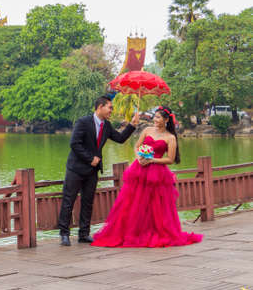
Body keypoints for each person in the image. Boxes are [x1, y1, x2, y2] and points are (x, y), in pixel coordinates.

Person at [91, 106, 203, 248]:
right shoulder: (147, 130)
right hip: (139, 170)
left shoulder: (170, 137)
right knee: (135, 203)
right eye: (154, 117)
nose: (155, 120)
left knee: (156, 205)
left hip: (157, 174)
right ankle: (133, 232)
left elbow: (170, 159)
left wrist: (152, 160)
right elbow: (137, 147)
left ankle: (155, 231)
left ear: (166, 120)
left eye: (158, 117)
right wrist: (139, 158)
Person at [58, 95, 139, 246]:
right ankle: (64, 234)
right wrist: (90, 158)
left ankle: (84, 234)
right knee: (68, 200)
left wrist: (132, 125)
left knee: (88, 202)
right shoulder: (83, 122)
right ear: (100, 107)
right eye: (110, 107)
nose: (111, 111)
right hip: (76, 168)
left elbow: (120, 139)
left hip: (92, 171)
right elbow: (74, 144)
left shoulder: (106, 125)